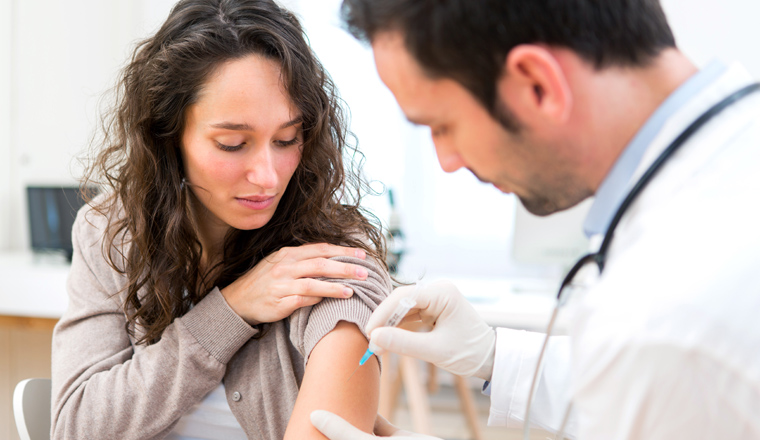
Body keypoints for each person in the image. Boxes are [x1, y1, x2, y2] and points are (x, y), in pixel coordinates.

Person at [310, 0, 760, 439]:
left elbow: (657, 362)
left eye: (441, 125)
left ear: (537, 84)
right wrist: (493, 354)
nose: (445, 161)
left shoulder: (661, 318)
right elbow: (670, 394)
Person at [50, 1, 392, 439]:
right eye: (232, 144)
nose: (268, 176)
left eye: (287, 139)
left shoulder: (331, 259)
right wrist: (229, 312)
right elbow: (76, 427)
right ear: (168, 136)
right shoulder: (110, 231)